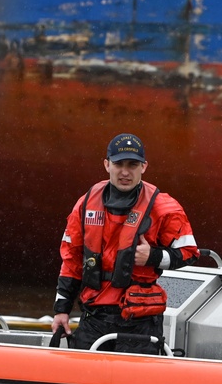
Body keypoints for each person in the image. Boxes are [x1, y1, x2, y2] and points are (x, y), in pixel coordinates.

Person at [50, 133, 199, 354]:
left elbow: (190, 253)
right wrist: (61, 310)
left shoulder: (164, 207)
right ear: (107, 164)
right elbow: (71, 260)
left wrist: (153, 257)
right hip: (95, 316)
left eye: (133, 165)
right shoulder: (86, 204)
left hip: (140, 319)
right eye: (119, 164)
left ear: (144, 167)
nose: (125, 172)